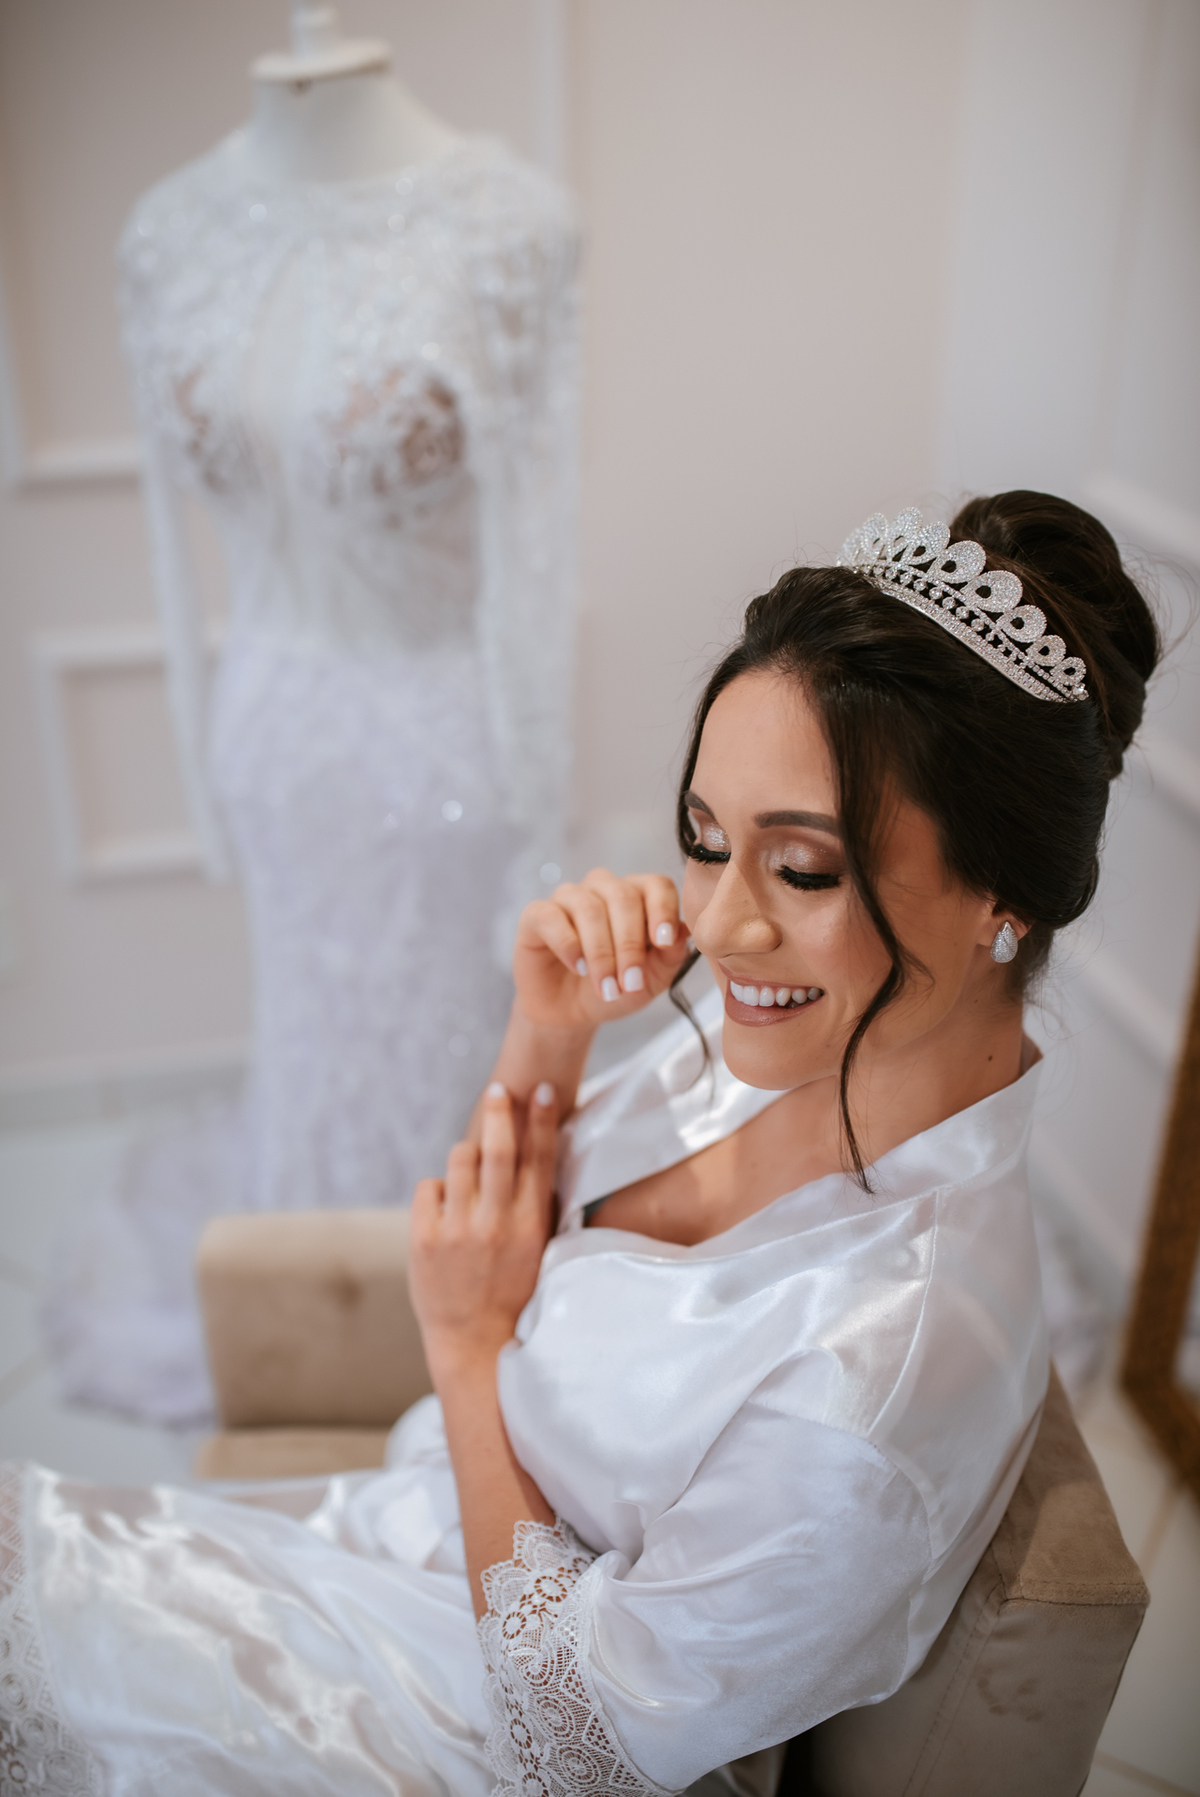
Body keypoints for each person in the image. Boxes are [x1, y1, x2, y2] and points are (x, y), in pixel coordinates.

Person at [0, 492, 1159, 1796]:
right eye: (709, 842)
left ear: (1000, 893)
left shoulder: (881, 1376)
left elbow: (589, 1750)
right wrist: (545, 1033)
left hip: (449, 1726)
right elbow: (504, 1229)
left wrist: (464, 1347)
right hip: (379, 1552)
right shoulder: (777, 1039)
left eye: (804, 868)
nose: (719, 926)